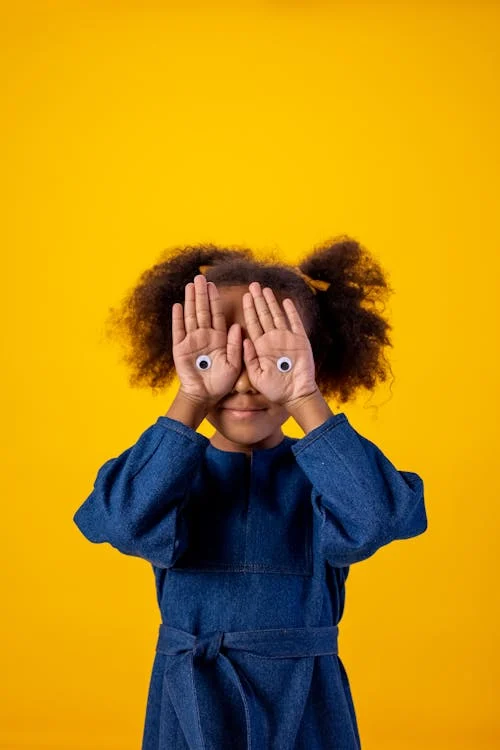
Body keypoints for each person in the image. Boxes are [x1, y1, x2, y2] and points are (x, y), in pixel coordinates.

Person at [73, 236, 428, 749]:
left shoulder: (323, 479)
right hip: (190, 698)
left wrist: (304, 395)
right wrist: (193, 394)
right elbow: (121, 521)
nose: (243, 383)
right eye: (221, 355)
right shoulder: (173, 475)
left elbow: (377, 516)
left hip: (305, 704)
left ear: (315, 361)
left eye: (271, 357)